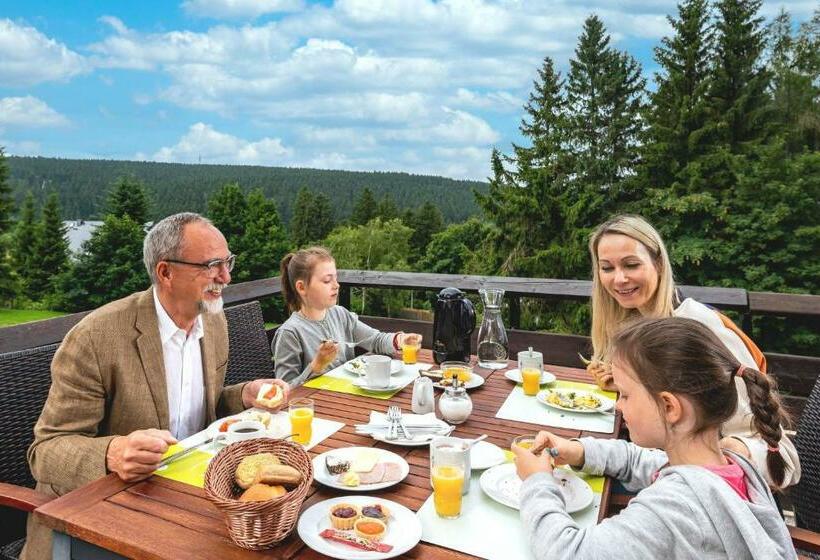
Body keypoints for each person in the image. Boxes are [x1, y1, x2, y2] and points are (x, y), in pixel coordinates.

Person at [22, 212, 290, 560]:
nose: (226, 277)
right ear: (165, 272)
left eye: (228, 262)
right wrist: (112, 454)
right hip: (100, 519)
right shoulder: (96, 337)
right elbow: (45, 452)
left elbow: (201, 407)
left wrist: (243, 394)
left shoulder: (213, 319)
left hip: (187, 496)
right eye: (211, 265)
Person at [512, 317, 797, 560]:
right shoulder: (728, 466)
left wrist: (537, 481)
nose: (619, 406)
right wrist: (577, 450)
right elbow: (642, 460)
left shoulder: (673, 508)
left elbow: (568, 552)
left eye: (625, 395)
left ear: (670, 407)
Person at [586, 214, 799, 486]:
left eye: (631, 264)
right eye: (607, 268)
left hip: (716, 498)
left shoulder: (699, 327)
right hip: (661, 473)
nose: (619, 279)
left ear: (659, 263)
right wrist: (632, 387)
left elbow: (780, 452)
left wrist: (722, 457)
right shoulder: (639, 326)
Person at [272, 246, 422, 385]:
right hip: (317, 407)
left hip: (348, 397)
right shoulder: (290, 333)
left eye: (336, 278)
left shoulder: (340, 314)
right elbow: (283, 391)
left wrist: (400, 340)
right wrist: (316, 366)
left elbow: (375, 340)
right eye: (327, 280)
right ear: (302, 287)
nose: (336, 285)